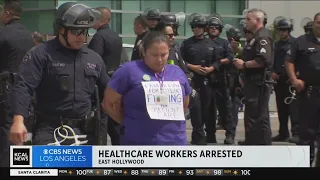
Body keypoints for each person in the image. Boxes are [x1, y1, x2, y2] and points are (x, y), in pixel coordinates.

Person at [9, 2, 109, 146]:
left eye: (85, 31)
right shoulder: (41, 54)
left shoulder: (94, 59)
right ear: (61, 29)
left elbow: (110, 91)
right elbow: (23, 87)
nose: (81, 37)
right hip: (49, 131)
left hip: (86, 134)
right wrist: (18, 121)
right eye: (76, 32)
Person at [103, 31, 191, 145]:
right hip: (139, 143)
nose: (159, 60)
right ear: (144, 52)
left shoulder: (177, 72)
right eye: (154, 55)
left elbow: (184, 103)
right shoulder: (128, 71)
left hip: (175, 142)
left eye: (164, 54)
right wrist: (128, 122)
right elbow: (108, 103)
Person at [0, 0, 33, 167]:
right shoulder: (28, 35)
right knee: (21, 130)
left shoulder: (4, 33)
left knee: (6, 129)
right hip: (25, 89)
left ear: (7, 13)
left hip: (6, 89)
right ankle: (21, 165)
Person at [233, 8, 274, 145]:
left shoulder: (262, 37)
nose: (246, 22)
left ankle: (260, 143)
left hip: (259, 83)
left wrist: (244, 65)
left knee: (258, 115)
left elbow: (263, 60)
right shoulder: (256, 36)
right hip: (252, 82)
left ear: (257, 20)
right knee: (252, 113)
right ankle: (252, 140)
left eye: (248, 19)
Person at [284, 12, 320, 167]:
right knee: (306, 133)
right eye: (319, 22)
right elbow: (289, 60)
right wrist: (294, 79)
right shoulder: (302, 41)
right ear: (314, 23)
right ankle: (304, 164)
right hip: (309, 94)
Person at [180, 13, 219, 145]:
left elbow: (218, 61)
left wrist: (211, 69)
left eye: (199, 26)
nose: (196, 29)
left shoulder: (212, 44)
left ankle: (209, 135)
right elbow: (181, 61)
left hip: (208, 81)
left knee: (207, 109)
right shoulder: (187, 44)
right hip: (193, 80)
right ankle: (197, 137)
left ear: (204, 28)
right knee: (195, 108)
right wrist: (193, 67)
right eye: (194, 26)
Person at [88, 6, 122, 145]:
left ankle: (100, 151)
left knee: (101, 121)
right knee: (114, 123)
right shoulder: (115, 35)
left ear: (99, 19)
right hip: (114, 82)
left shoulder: (99, 37)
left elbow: (93, 62)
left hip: (101, 85)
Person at [206, 15, 234, 145]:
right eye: (211, 27)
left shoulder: (224, 43)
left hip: (221, 80)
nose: (213, 29)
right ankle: (210, 135)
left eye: (216, 28)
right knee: (209, 110)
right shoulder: (203, 42)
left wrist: (217, 63)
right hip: (208, 81)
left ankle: (230, 135)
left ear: (220, 29)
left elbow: (230, 57)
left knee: (226, 110)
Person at [271, 18, 299, 144]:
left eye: (284, 30)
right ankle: (283, 133)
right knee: (281, 107)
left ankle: (296, 133)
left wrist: (295, 75)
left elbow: (299, 61)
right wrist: (271, 72)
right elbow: (271, 61)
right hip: (279, 80)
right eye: (280, 30)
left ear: (289, 30)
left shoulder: (295, 43)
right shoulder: (276, 45)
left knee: (293, 108)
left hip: (290, 80)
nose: (282, 32)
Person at [225, 25, 242, 144]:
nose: (231, 39)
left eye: (233, 37)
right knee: (226, 109)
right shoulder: (225, 47)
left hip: (236, 83)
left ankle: (231, 134)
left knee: (233, 110)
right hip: (225, 82)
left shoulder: (241, 50)